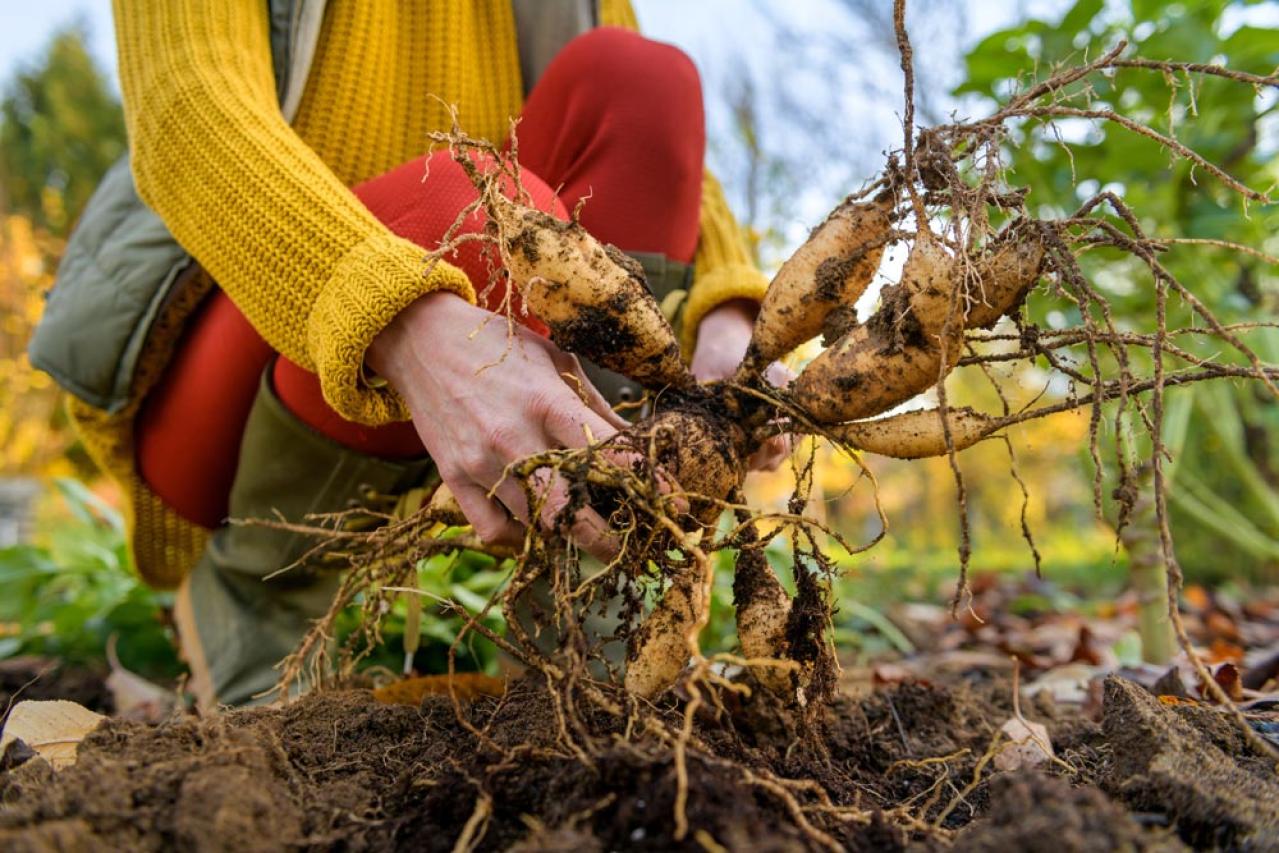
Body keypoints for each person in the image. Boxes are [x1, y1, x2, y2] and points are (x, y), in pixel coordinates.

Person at [33, 0, 784, 707]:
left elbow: (657, 149)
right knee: (469, 197)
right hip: (237, 343)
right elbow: (187, 110)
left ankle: (585, 609)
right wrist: (396, 314)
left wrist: (725, 311)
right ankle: (265, 592)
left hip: (492, 328)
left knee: (644, 80)